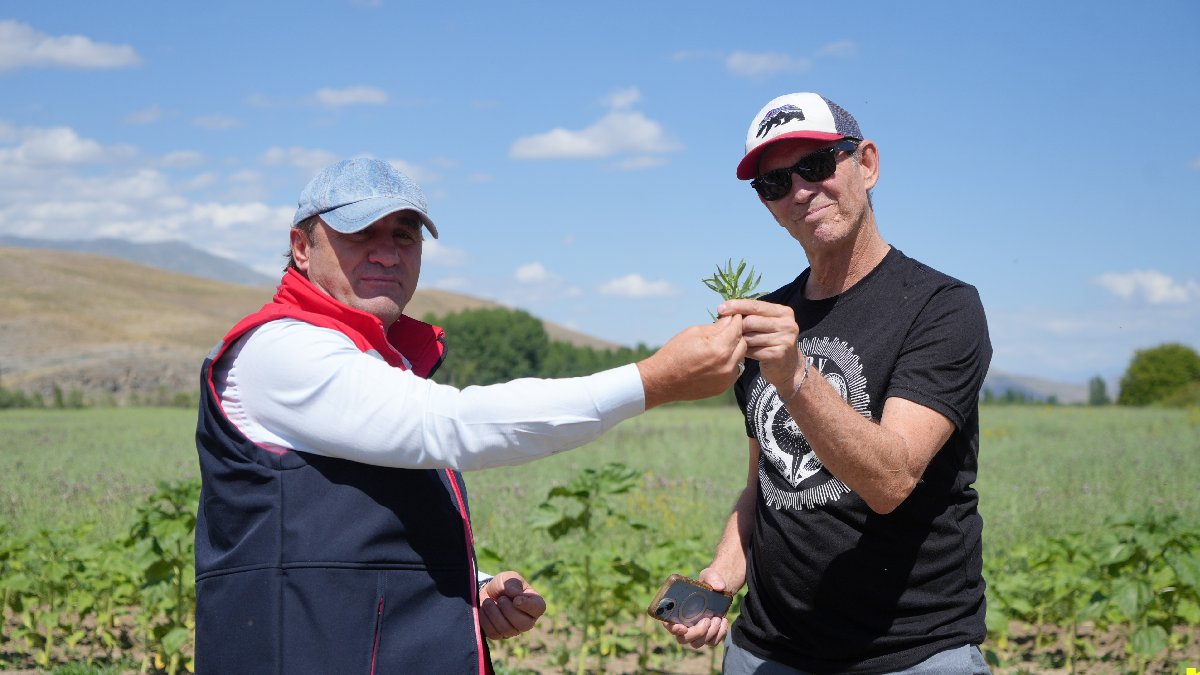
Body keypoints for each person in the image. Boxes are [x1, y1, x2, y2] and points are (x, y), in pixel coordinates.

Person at [193, 157, 746, 674]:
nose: (387, 252)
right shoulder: (283, 350)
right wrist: (652, 381)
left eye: (404, 235)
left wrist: (469, 587)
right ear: (301, 248)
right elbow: (453, 425)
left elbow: (354, 532)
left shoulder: (378, 365)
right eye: (361, 234)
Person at [664, 93, 993, 674]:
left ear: (866, 164)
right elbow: (761, 486)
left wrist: (794, 376)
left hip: (907, 654)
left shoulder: (942, 309)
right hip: (766, 653)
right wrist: (722, 572)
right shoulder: (766, 317)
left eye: (816, 166)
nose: (799, 192)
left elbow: (891, 479)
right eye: (773, 184)